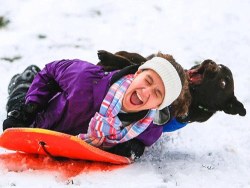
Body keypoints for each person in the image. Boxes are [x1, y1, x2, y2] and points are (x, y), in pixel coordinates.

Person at [3, 55, 188, 160]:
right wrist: (30, 105)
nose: (146, 91)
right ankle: (24, 79)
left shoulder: (148, 128)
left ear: (158, 105)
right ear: (137, 73)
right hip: (41, 115)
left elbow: (144, 141)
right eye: (148, 80)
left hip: (67, 140)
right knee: (18, 99)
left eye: (157, 94)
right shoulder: (85, 78)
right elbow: (49, 72)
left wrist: (133, 146)